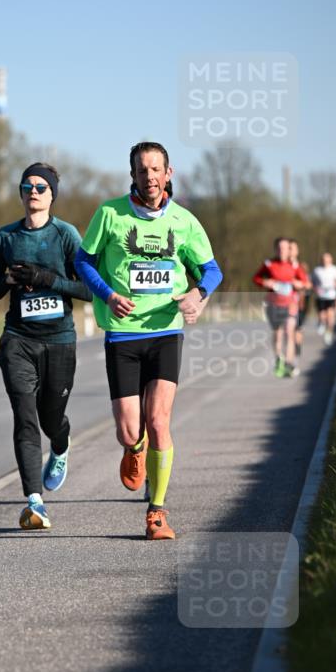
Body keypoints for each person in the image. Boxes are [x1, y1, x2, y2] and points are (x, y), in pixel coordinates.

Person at [74, 141, 222, 541]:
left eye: (157, 169)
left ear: (168, 174)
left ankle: (156, 513)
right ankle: (133, 447)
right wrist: (107, 294)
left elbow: (210, 269)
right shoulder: (110, 213)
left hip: (166, 331)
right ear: (133, 176)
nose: (150, 177)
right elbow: (83, 261)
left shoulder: (185, 221)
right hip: (122, 333)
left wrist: (197, 294)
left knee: (159, 421)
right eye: (142, 170)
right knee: (129, 431)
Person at [0, 163, 92, 529]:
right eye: (27, 185)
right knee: (25, 418)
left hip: (59, 341)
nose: (33, 191)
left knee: (50, 419)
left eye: (41, 186)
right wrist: (10, 278)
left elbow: (90, 289)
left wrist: (47, 278)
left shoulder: (66, 235)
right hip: (18, 339)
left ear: (52, 194)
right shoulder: (7, 237)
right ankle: (34, 502)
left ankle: (60, 446)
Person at [253, 238, 308, 378]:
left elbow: (305, 283)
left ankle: (289, 363)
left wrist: (298, 284)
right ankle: (279, 359)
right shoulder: (269, 264)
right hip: (274, 304)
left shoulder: (294, 266)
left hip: (290, 304)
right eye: (279, 248)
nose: (282, 250)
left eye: (285, 248)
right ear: (275, 249)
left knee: (290, 332)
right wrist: (266, 282)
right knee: (278, 333)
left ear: (289, 249)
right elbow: (256, 279)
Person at [311, 252, 336, 346]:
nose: (325, 261)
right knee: (322, 315)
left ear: (331, 260)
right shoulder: (317, 270)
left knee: (330, 316)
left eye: (327, 259)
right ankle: (321, 323)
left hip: (331, 295)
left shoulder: (335, 270)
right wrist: (315, 288)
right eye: (323, 259)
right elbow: (312, 282)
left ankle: (329, 333)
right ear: (321, 260)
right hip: (320, 296)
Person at [288, 239, 311, 359]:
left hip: (299, 303)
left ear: (297, 251)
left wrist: (298, 284)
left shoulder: (300, 267)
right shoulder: (280, 264)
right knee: (288, 331)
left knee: (297, 328)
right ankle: (290, 359)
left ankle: (296, 348)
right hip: (284, 303)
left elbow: (308, 285)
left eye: (292, 248)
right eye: (288, 248)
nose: (290, 251)